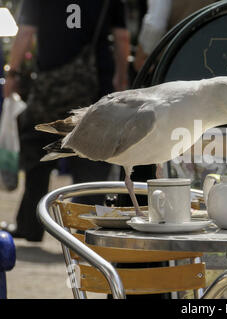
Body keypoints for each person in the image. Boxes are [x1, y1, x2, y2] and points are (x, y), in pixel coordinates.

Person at [1, 0, 130, 242]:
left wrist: (13, 73)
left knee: (38, 151)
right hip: (95, 84)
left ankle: (31, 223)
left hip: (50, 85)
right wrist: (121, 78)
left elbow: (26, 32)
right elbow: (121, 37)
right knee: (92, 156)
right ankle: (85, 227)